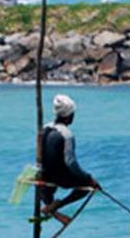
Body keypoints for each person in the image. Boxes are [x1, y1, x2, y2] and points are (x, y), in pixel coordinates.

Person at [40, 94, 100, 224]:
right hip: (59, 177)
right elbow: (70, 162)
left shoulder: (45, 128)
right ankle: (58, 205)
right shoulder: (67, 135)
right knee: (87, 186)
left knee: (42, 184)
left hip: (45, 174)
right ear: (69, 116)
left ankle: (53, 210)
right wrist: (88, 178)